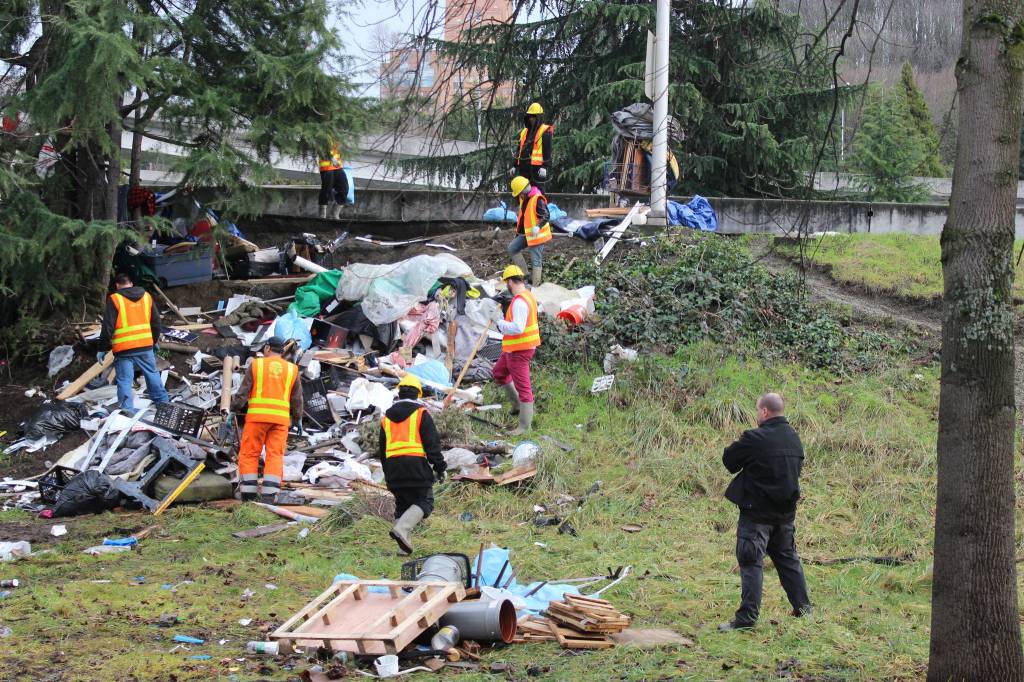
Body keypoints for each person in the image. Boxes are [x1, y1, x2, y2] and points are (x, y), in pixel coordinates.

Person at [719, 393, 812, 631]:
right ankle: (803, 610)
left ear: (764, 412)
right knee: (788, 560)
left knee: (751, 562)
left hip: (756, 515)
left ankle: (746, 620)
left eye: (757, 410)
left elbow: (729, 460)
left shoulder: (755, 438)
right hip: (785, 515)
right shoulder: (794, 438)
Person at [377, 374, 446, 555]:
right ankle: (402, 529)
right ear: (418, 394)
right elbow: (432, 445)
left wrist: (388, 474)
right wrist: (440, 467)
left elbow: (382, 451)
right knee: (425, 501)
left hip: (393, 469)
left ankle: (404, 549)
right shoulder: (421, 414)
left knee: (403, 505)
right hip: (416, 467)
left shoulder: (386, 419)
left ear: (399, 394)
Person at [231, 337, 303, 503]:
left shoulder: (256, 365)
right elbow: (297, 398)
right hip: (280, 420)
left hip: (257, 418)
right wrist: (298, 418)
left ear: (268, 348)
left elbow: (243, 392)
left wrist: (233, 410)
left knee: (250, 453)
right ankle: (269, 496)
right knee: (275, 455)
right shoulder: (292, 369)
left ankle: (248, 495)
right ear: (282, 351)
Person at [98, 273, 169, 413]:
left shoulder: (115, 299)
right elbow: (156, 322)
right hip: (145, 346)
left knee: (125, 381)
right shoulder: (146, 296)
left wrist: (102, 348)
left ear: (117, 285)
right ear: (131, 283)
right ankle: (164, 405)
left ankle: (127, 411)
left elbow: (108, 326)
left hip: (123, 349)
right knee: (152, 374)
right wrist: (154, 340)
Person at [492, 264, 541, 435]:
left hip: (520, 350)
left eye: (506, 282)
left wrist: (498, 322)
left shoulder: (520, 301)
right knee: (499, 373)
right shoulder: (527, 295)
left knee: (524, 388)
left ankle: (524, 426)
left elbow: (518, 328)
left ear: (510, 282)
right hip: (513, 348)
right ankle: (517, 406)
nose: (507, 286)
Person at [508, 175, 551, 286]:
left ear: (523, 190)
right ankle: (525, 276)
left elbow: (546, 215)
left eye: (519, 192)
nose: (518, 195)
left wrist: (538, 226)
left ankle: (535, 286)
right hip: (526, 234)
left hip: (537, 235)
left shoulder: (537, 199)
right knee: (512, 248)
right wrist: (519, 232)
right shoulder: (524, 198)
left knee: (536, 259)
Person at [513, 102, 552, 188]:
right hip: (524, 168)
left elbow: (547, 150)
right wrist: (515, 165)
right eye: (530, 116)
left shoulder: (545, 131)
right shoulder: (524, 132)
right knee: (523, 191)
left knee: (537, 191)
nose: (531, 119)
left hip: (537, 169)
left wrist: (545, 167)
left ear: (538, 117)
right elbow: (519, 149)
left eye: (534, 116)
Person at [318, 143, 349, 220]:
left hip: (337, 166)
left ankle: (334, 214)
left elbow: (337, 148)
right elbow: (320, 146)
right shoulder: (327, 136)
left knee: (344, 189)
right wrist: (331, 158)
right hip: (327, 167)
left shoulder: (336, 137)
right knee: (326, 190)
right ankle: (322, 216)